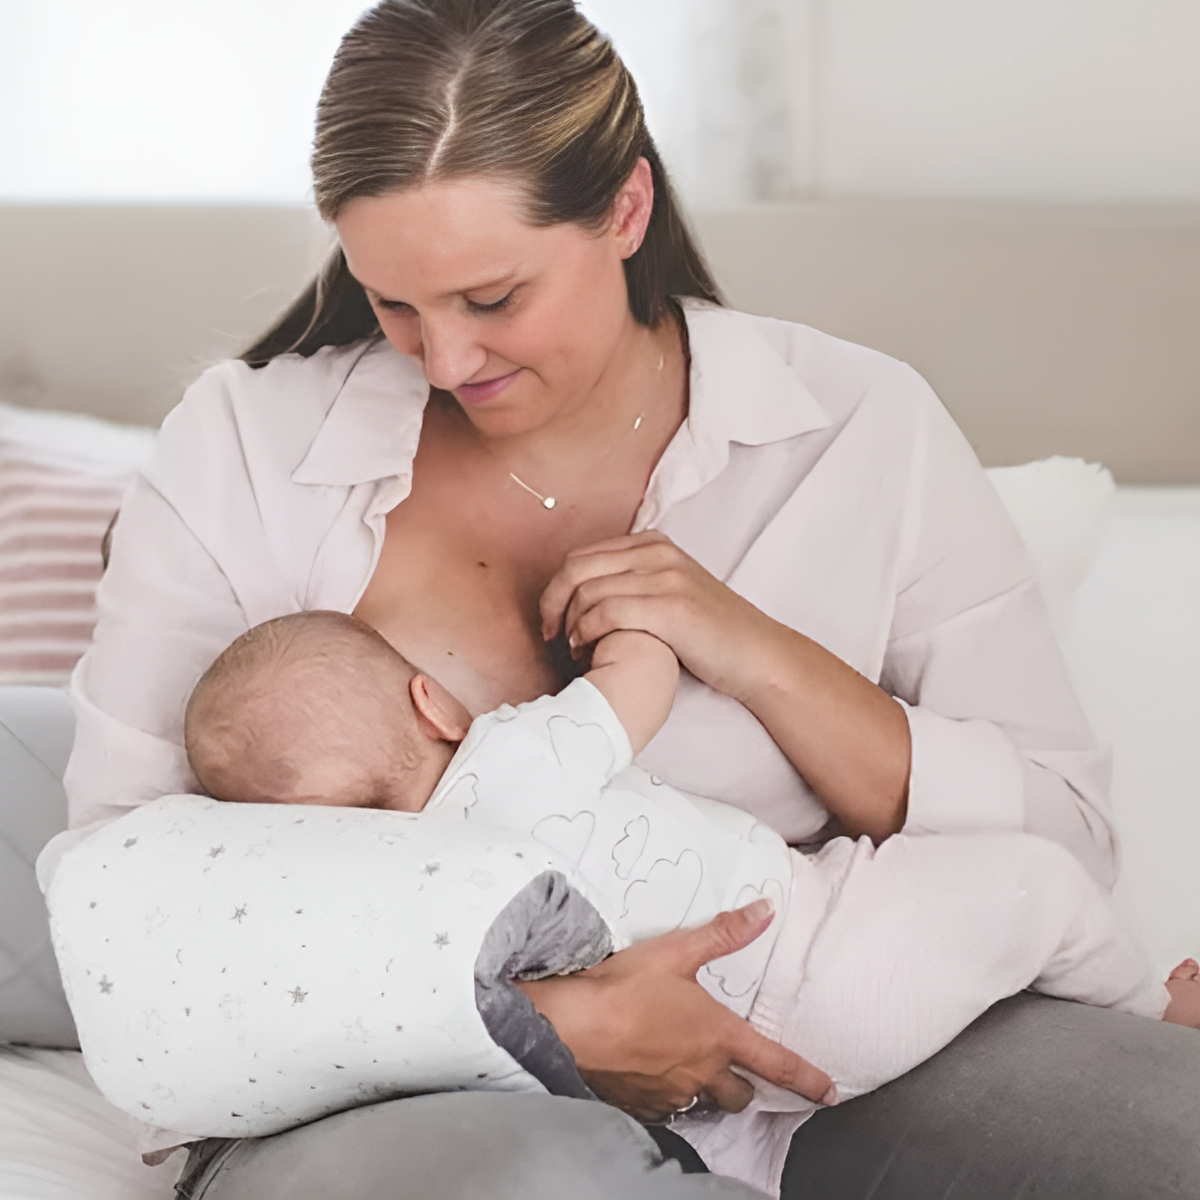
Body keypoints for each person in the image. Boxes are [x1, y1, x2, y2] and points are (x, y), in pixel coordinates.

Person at [53, 0, 1200, 1196]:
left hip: (818, 1040)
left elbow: (1060, 839)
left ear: (626, 210)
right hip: (400, 1080)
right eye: (394, 303)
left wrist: (753, 651)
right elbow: (123, 896)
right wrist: (539, 1022)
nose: (445, 362)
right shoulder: (243, 447)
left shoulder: (859, 429)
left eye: (493, 299)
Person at [180, 609, 1196, 1193]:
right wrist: (631, 632)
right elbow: (639, 685)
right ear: (428, 701)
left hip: (705, 1089)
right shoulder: (513, 753)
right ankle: (1151, 1009)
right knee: (1037, 881)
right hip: (816, 961)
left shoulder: (397, 892)